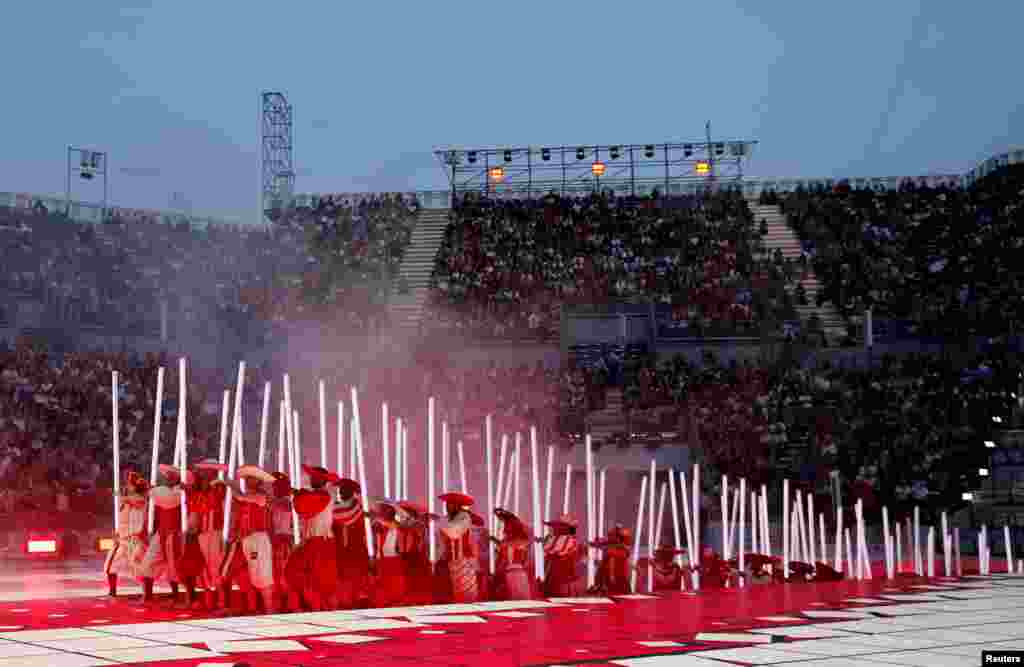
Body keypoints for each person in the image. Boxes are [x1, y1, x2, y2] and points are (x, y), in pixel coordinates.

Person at [220, 464, 275, 614]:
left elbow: (240, 497)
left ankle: (270, 609)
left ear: (259, 481)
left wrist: (232, 485)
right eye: (248, 478)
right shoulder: (246, 497)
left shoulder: (261, 496)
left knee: (262, 574)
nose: (249, 480)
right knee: (248, 573)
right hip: (245, 539)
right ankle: (254, 608)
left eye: (253, 478)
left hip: (258, 539)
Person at [285, 465, 339, 611]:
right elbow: (303, 504)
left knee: (321, 582)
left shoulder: (326, 494)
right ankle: (315, 609)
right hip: (311, 542)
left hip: (322, 543)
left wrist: (294, 492)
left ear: (323, 480)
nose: (312, 479)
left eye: (315, 477)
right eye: (312, 476)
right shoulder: (317, 494)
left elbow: (305, 505)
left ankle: (327, 612)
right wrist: (295, 492)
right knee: (300, 575)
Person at [138, 464, 191, 604]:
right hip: (161, 532)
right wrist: (146, 530)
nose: (169, 478)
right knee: (147, 564)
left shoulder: (180, 492)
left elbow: (169, 502)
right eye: (167, 476)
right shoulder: (162, 492)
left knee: (174, 566)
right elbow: (155, 512)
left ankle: (179, 596)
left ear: (178, 478)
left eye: (172, 476)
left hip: (175, 533)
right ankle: (148, 596)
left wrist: (151, 490)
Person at [181, 459, 229, 610]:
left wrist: (195, 493)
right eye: (202, 471)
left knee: (216, 565)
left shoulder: (218, 485)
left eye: (206, 471)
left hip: (214, 532)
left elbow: (213, 501)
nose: (203, 474)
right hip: (202, 533)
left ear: (213, 471)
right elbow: (196, 507)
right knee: (204, 567)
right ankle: (209, 602)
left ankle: (222, 602)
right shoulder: (202, 490)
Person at [104, 470, 149, 598]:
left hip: (135, 538)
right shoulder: (125, 500)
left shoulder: (140, 500)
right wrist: (117, 532)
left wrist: (117, 493)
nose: (127, 485)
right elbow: (122, 517)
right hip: (123, 538)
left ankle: (147, 593)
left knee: (140, 568)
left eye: (130, 483)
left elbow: (131, 499)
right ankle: (112, 592)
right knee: (111, 566)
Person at [436, 492, 482, 603]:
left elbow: (454, 533)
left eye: (450, 505)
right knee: (457, 592)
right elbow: (443, 542)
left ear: (457, 505)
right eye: (446, 505)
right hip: (452, 560)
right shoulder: (448, 519)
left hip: (465, 560)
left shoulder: (464, 517)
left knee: (466, 593)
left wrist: (439, 523)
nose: (447, 507)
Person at [332, 477, 369, 609]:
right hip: (341, 552)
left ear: (352, 492)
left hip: (355, 552)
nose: (340, 492)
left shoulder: (358, 508)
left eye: (344, 489)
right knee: (342, 584)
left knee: (355, 584)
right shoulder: (335, 508)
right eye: (340, 489)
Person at [270, 472, 298, 613]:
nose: (273, 488)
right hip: (278, 541)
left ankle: (291, 605)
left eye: (276, 486)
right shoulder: (279, 502)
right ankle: (283, 604)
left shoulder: (286, 502)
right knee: (277, 574)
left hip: (284, 540)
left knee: (284, 575)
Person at [396, 500, 435, 604]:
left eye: (406, 512)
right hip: (404, 555)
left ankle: (418, 600)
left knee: (416, 579)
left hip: (416, 555)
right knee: (406, 579)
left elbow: (418, 533)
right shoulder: (400, 526)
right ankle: (409, 598)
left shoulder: (418, 525)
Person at [370, 500, 407, 607]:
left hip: (394, 560)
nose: (385, 512)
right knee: (381, 589)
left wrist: (395, 506)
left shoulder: (396, 524)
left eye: (388, 510)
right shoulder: (378, 524)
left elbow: (406, 519)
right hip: (382, 560)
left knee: (395, 590)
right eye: (383, 510)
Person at [491, 508, 533, 600]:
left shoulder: (518, 540)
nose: (505, 529)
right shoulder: (510, 540)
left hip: (514, 571)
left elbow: (512, 551)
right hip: (508, 570)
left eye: (507, 526)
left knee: (515, 595)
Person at [542, 514, 583, 597]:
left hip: (564, 575)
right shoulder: (551, 539)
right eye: (555, 526)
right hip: (552, 574)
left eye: (559, 526)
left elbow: (565, 555)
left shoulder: (570, 540)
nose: (555, 528)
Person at [592, 525, 632, 594]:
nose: (608, 537)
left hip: (616, 583)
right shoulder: (614, 548)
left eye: (610, 535)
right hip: (615, 582)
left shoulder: (617, 550)